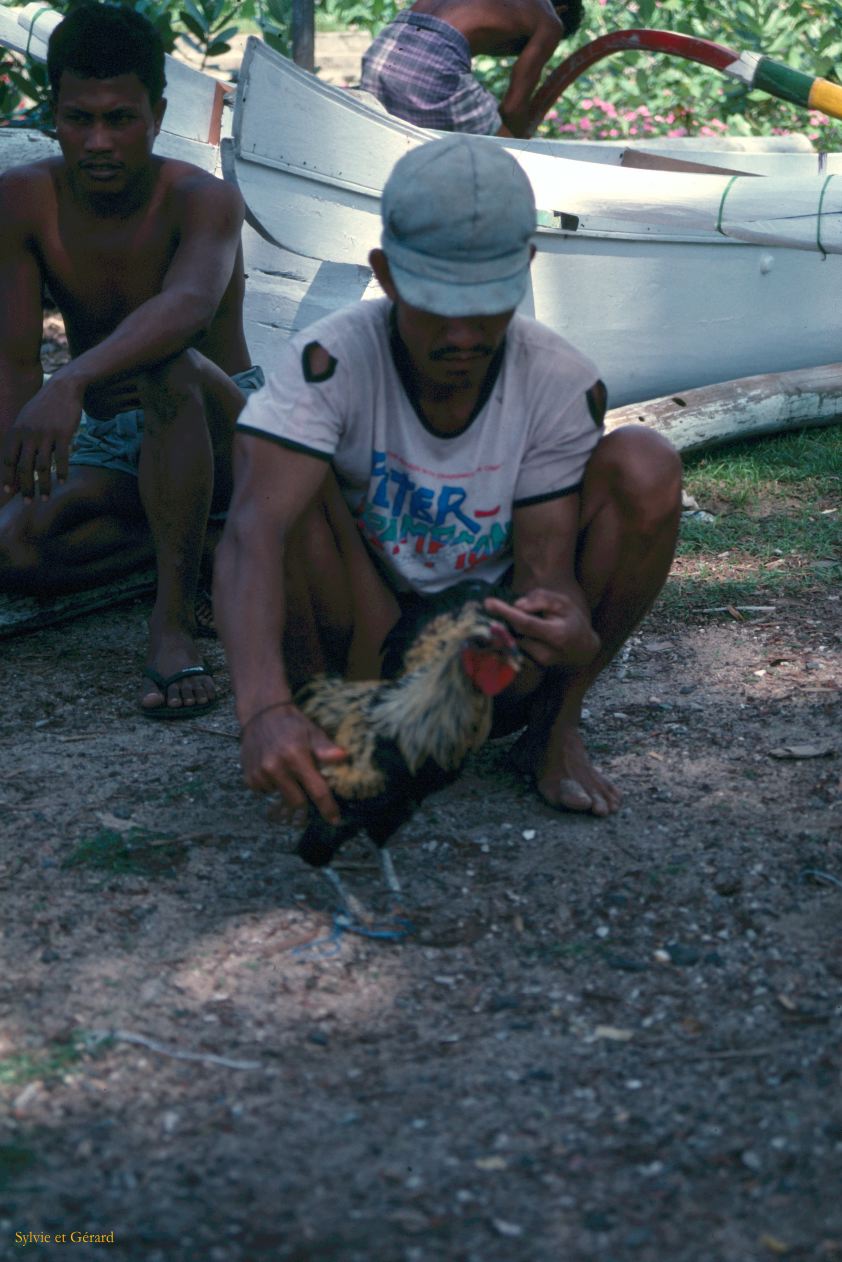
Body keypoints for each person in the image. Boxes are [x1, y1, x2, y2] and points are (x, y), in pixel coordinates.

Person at [215, 135, 682, 822]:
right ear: (387, 273)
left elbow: (546, 573)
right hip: (367, 636)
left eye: (485, 304)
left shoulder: (558, 380)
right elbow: (250, 536)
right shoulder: (326, 363)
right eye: (438, 303)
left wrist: (570, 624)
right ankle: (315, 720)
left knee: (646, 461)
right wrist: (262, 705)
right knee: (278, 472)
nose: (462, 335)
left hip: (487, 653)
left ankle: (554, 730)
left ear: (524, 267)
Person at [0, 3, 263, 718]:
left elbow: (189, 308)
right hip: (117, 436)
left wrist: (78, 376)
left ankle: (172, 623)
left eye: (120, 118)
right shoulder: (24, 199)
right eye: (78, 118)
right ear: (53, 113)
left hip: (222, 420)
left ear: (158, 114)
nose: (98, 141)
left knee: (167, 369)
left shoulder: (204, 199)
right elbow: (15, 366)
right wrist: (11, 481)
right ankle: (205, 545)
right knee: (17, 549)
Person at [359, 0, 583, 138]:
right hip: (427, 65)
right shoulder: (550, 21)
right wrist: (519, 136)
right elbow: (513, 108)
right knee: (508, 156)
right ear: (561, 10)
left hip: (385, 46)